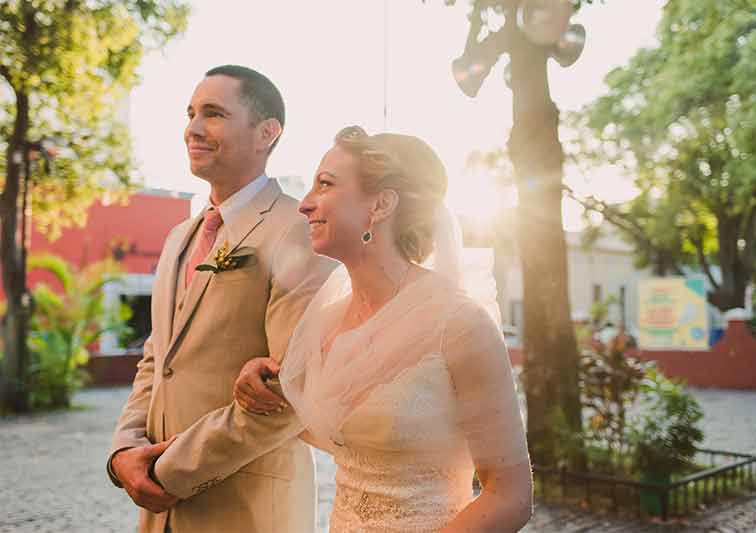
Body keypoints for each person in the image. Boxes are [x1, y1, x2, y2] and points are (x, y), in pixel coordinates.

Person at [235, 126, 532, 531]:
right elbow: (337, 428)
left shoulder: (459, 324)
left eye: (325, 184)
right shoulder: (329, 319)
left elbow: (511, 495)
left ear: (381, 204)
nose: (304, 205)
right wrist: (268, 383)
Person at [107, 65, 335, 533]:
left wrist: (170, 470)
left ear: (267, 132)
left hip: (249, 509)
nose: (192, 128)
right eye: (190, 113)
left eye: (213, 113)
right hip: (158, 512)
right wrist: (125, 451)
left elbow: (291, 390)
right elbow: (157, 359)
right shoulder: (177, 238)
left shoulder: (301, 233)